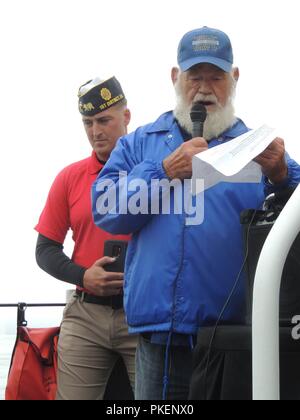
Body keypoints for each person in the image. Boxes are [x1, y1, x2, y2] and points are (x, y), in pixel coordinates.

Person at [91, 27, 300, 400]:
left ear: (234, 79)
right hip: (158, 340)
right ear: (176, 78)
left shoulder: (254, 147)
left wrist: (283, 174)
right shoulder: (140, 143)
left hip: (230, 339)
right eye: (195, 76)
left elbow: (294, 214)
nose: (204, 88)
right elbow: (106, 209)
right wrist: (163, 172)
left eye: (216, 77)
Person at [35, 76, 137, 400]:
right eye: (88, 122)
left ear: (126, 117)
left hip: (142, 312)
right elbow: (45, 249)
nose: (95, 131)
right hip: (86, 314)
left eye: (104, 120)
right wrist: (84, 277)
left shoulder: (154, 172)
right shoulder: (69, 178)